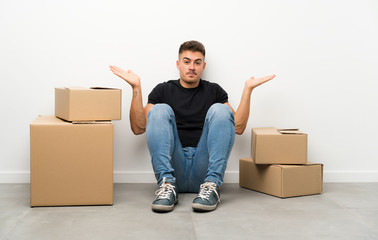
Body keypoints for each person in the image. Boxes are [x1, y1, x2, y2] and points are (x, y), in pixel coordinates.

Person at [110, 40, 275, 212]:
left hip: (204, 170)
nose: (191, 67)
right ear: (178, 64)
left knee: (220, 110)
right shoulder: (163, 90)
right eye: (186, 61)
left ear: (203, 66)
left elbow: (238, 127)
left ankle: (212, 186)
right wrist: (136, 87)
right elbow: (138, 127)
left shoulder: (214, 91)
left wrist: (247, 90)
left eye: (197, 63)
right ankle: (167, 186)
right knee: (159, 109)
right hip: (175, 167)